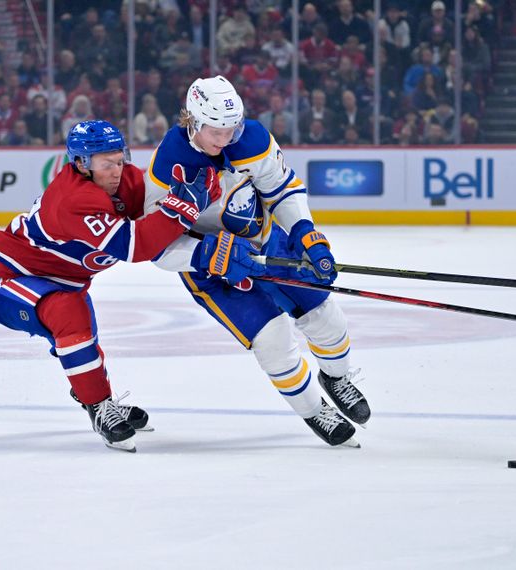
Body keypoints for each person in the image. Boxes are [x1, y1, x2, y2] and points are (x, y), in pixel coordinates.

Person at [145, 76, 371, 447]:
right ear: (193, 122)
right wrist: (207, 255)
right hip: (211, 271)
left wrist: (305, 233)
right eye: (215, 132)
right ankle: (315, 410)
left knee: (326, 318)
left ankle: (337, 377)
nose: (224, 140)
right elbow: (153, 247)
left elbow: (282, 188)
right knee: (273, 340)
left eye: (230, 130)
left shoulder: (252, 138)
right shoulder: (168, 165)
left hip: (267, 242)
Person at [0, 120, 220, 452]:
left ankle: (97, 398)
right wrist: (185, 208)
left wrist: (203, 192)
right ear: (81, 164)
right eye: (106, 164)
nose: (117, 171)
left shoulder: (126, 181)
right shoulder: (74, 199)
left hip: (65, 282)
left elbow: (157, 205)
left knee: (82, 338)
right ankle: (100, 408)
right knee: (69, 316)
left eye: (120, 160)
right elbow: (135, 247)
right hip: (10, 278)